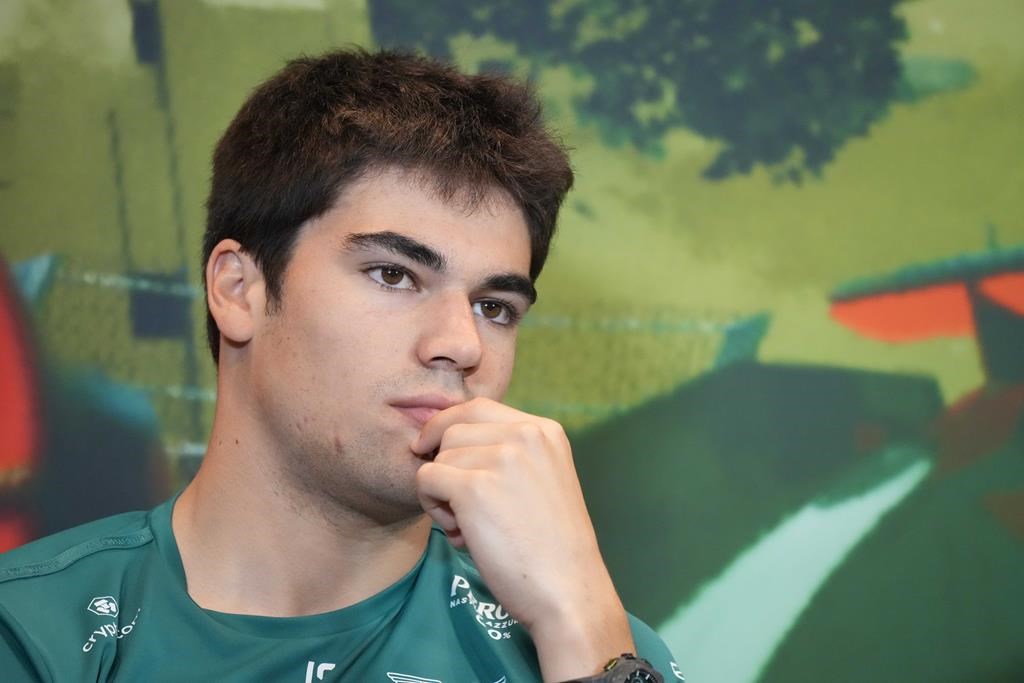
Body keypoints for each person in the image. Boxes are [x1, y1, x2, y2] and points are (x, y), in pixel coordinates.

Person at [0, 49, 682, 682]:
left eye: (494, 306)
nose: (462, 343)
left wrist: (582, 626)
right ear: (238, 290)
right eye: (394, 274)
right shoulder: (31, 632)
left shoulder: (599, 648)